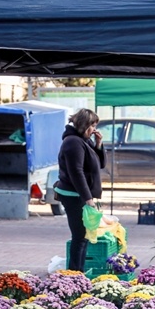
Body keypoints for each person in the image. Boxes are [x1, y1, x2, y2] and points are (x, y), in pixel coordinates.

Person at [56, 108, 106, 272]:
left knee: (83, 235)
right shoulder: (73, 142)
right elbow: (76, 173)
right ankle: (75, 274)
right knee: (79, 236)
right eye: (92, 125)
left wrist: (99, 145)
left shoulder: (84, 140)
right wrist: (88, 199)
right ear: (83, 125)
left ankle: (78, 272)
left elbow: (100, 164)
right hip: (73, 195)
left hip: (81, 195)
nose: (94, 130)